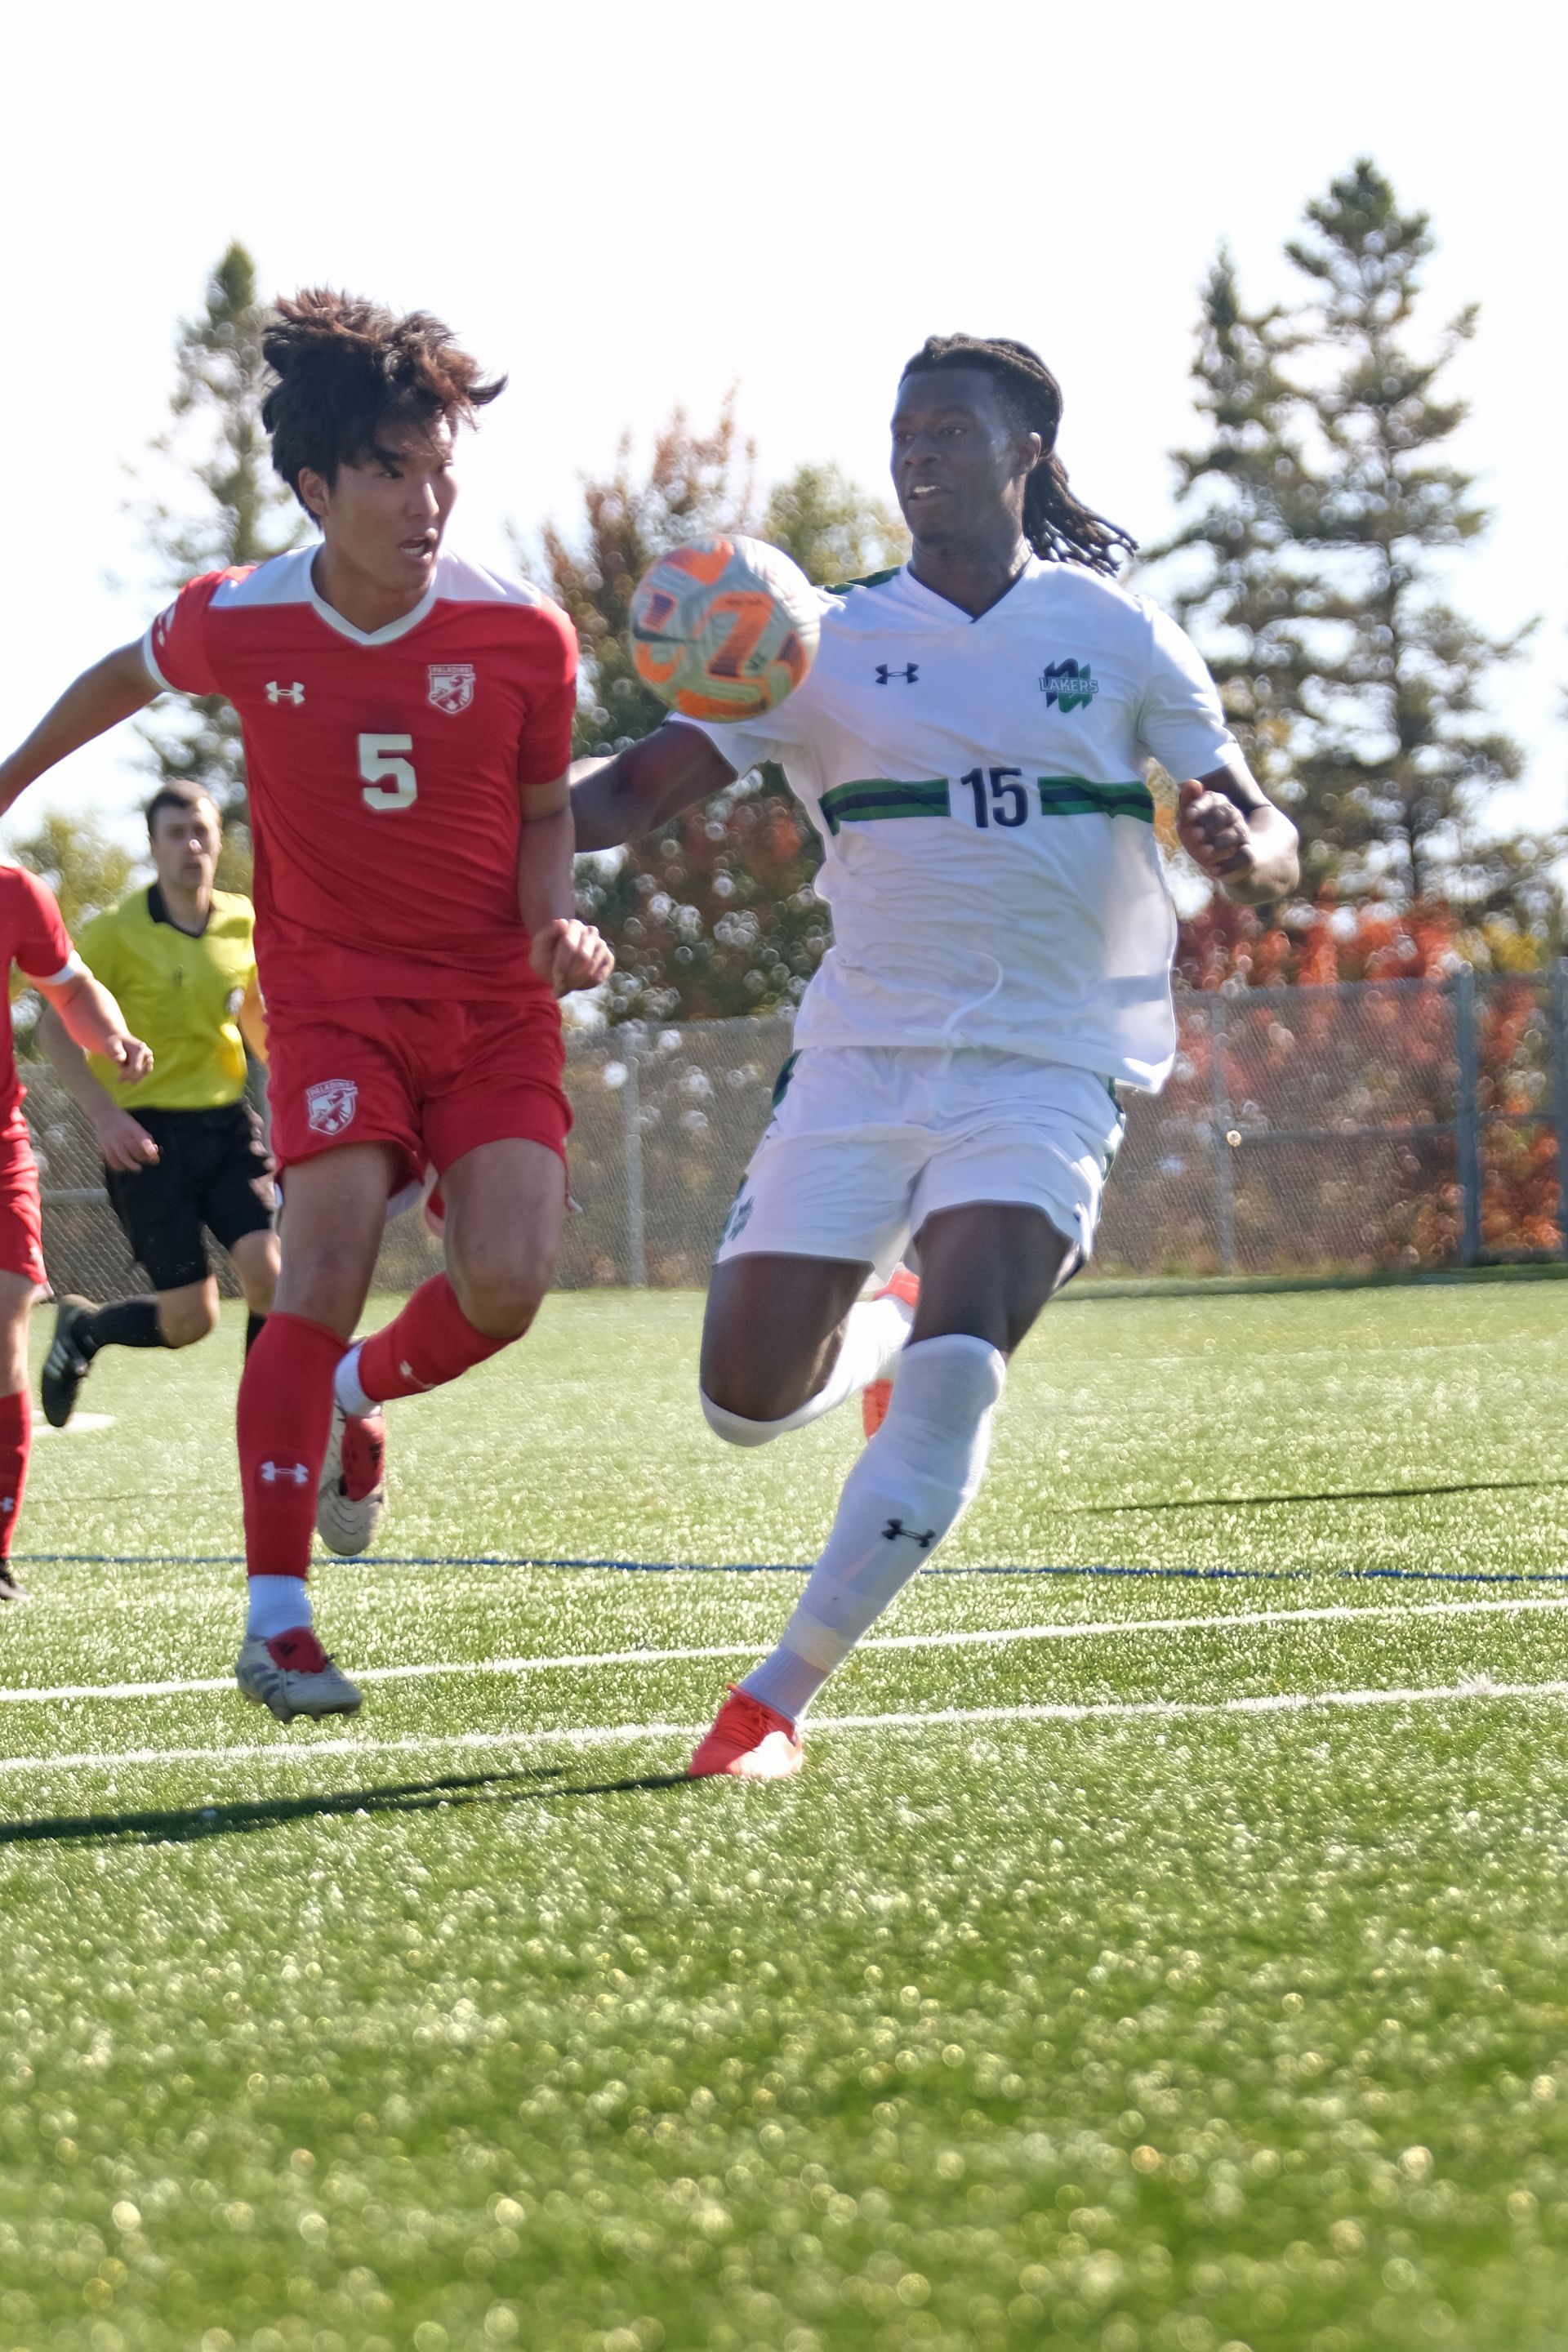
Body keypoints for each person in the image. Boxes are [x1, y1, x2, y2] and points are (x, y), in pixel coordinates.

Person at [573, 332, 1300, 1780]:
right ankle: (890, 1324)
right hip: (858, 1061)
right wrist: (460, 818)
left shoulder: (1117, 633)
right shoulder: (811, 638)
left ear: (1024, 449)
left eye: (952, 430)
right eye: (906, 431)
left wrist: (1241, 839)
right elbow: (637, 793)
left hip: (1053, 1059)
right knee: (742, 1406)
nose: (919, 454)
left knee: (969, 1367)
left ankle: (771, 1702)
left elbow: (1262, 825)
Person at [0, 289, 611, 1714]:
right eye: (396, 471)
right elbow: (121, 677)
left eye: (443, 465)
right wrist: (15, 777)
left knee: (509, 1284)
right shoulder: (242, 619)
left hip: (492, 1003)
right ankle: (277, 1621)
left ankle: (349, 1403)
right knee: (316, 1266)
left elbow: (543, 821)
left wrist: (553, 933)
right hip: (334, 999)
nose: (430, 497)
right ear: (316, 488)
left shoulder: (526, 636)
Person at [37, 782, 277, 1428]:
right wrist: (105, 1116)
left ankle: (270, 1422)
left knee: (270, 1274)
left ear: (219, 839)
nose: (191, 846)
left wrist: (292, 1075)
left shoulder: (244, 921)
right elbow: (54, 1027)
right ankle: (87, 1331)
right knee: (189, 1321)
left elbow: (255, 1020)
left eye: (201, 831)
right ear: (153, 846)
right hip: (145, 1137)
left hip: (227, 1125)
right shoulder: (117, 931)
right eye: (176, 834)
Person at [0, 866, 151, 1598]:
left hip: (1, 1146)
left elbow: (71, 989)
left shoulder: (14, 890)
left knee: (6, 1313)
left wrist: (112, 1033)